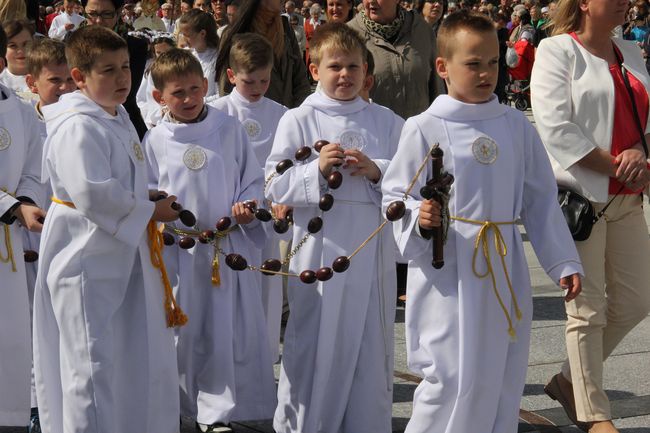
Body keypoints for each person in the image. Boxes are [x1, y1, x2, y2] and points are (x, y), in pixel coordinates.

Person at [382, 11, 583, 433]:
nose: (486, 73)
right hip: (448, 271)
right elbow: (395, 197)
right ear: (443, 67)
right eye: (473, 63)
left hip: (503, 268)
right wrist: (421, 220)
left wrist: (563, 262)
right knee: (448, 376)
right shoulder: (424, 127)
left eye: (493, 62)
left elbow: (540, 198)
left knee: (503, 372)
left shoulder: (514, 126)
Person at [33, 25, 182, 433]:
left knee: (121, 356)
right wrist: (151, 212)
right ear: (79, 77)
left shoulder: (114, 116)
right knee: (91, 363)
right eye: (108, 70)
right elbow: (91, 192)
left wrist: (144, 196)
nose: (121, 79)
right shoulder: (77, 125)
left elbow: (114, 181)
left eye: (125, 69)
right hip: (83, 259)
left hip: (117, 254)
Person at [265, 22, 403, 433]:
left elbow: (409, 176)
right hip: (318, 248)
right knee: (315, 340)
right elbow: (274, 183)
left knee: (368, 342)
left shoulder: (386, 120)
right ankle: (305, 423)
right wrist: (317, 171)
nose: (345, 75)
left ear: (366, 71)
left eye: (353, 67)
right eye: (335, 66)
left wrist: (377, 169)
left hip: (369, 251)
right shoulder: (298, 119)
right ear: (314, 70)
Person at [531, 1, 650, 432]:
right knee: (587, 310)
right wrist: (616, 163)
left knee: (637, 301)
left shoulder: (630, 53)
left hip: (628, 197)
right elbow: (555, 126)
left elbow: (646, 122)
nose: (626, 2)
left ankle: (568, 379)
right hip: (583, 199)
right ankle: (594, 414)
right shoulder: (556, 50)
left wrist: (641, 152)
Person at [144, 48, 276, 433]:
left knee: (223, 331)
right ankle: (180, 406)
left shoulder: (228, 128)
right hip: (178, 251)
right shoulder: (154, 139)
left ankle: (218, 412)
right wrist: (160, 208)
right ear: (159, 98)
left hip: (224, 246)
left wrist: (247, 207)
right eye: (177, 93)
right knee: (183, 332)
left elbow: (252, 179)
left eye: (193, 90)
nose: (188, 100)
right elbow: (149, 190)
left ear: (205, 86)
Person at [209, 33, 288, 363]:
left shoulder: (282, 113)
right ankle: (224, 359)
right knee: (227, 290)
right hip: (227, 212)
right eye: (248, 81)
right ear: (231, 76)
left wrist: (279, 198)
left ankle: (261, 359)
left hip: (265, 215)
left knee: (265, 288)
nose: (257, 87)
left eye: (264, 79)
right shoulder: (217, 111)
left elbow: (285, 164)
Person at [22, 38, 76, 433]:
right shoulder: (24, 121)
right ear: (33, 83)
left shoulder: (83, 119)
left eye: (67, 80)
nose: (62, 88)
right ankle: (33, 402)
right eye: (53, 80)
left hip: (68, 239)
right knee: (29, 327)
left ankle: (61, 402)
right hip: (27, 239)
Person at [0, 23, 47, 430]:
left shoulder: (17, 108)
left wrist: (26, 201)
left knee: (15, 332)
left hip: (12, 238)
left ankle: (16, 411)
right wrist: (11, 205)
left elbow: (34, 166)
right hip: (10, 220)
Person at [348, 0, 437, 121]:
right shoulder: (349, 36)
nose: (371, 1)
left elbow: (437, 89)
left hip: (419, 135)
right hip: (373, 135)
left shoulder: (422, 31)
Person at [214, 0, 312, 109]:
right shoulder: (235, 33)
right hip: (250, 120)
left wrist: (296, 114)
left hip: (288, 116)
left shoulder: (285, 29)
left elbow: (301, 79)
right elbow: (225, 88)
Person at [81, 0, 150, 139]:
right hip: (83, 120)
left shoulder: (135, 46)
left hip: (124, 120)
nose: (99, 21)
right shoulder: (71, 43)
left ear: (118, 13)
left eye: (107, 14)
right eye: (92, 14)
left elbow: (126, 94)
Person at [178, 8, 220, 100]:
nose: (183, 39)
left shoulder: (217, 59)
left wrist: (197, 102)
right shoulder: (185, 55)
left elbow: (220, 94)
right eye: (182, 34)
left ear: (202, 34)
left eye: (187, 35)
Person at [136, 35, 175, 129]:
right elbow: (142, 98)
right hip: (156, 119)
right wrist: (157, 112)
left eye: (166, 52)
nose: (162, 56)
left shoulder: (180, 69)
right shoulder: (152, 72)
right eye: (159, 52)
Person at [0, 20, 34, 96]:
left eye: (26, 44)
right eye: (12, 45)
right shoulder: (1, 80)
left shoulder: (47, 76)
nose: (21, 51)